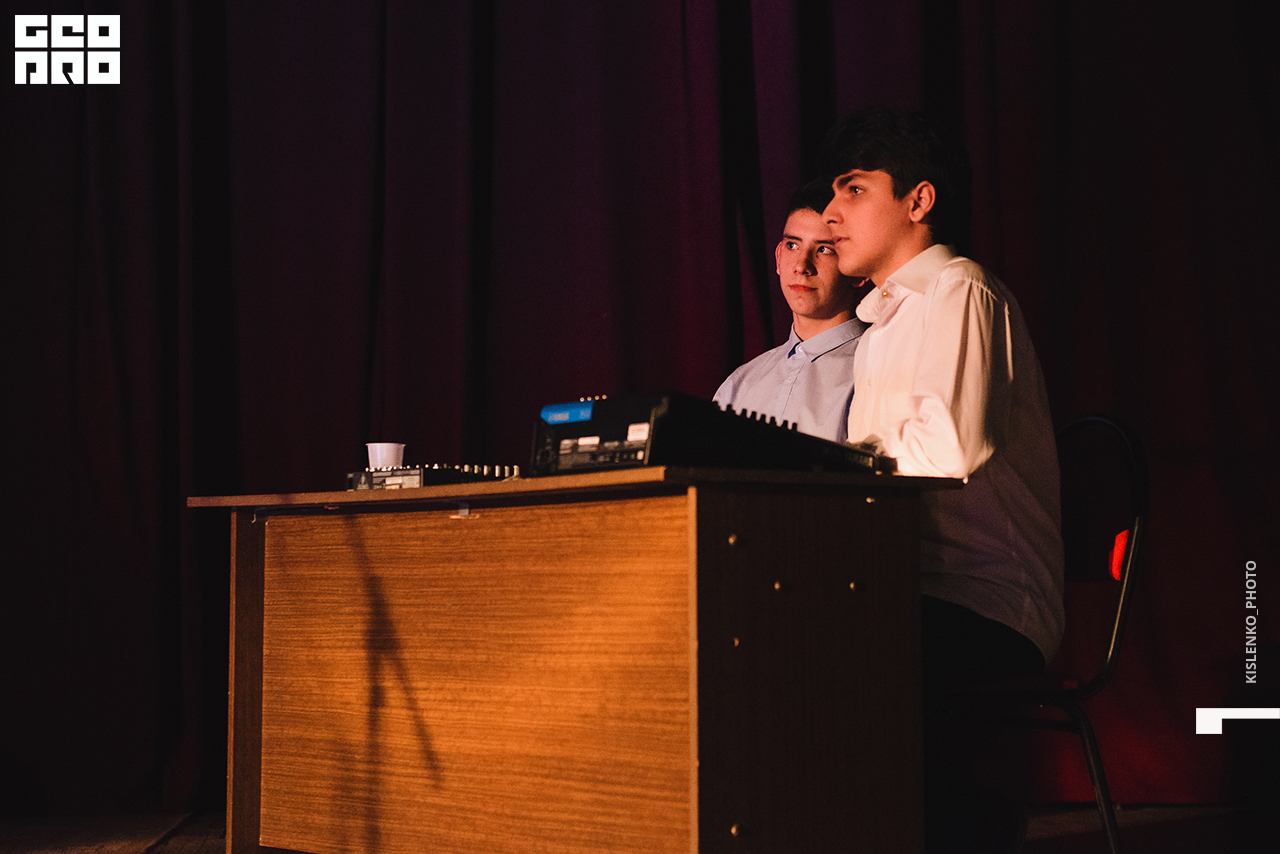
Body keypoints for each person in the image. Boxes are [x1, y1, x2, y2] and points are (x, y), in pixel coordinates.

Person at [819, 107, 1064, 851]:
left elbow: (947, 449)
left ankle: (960, 822)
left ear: (918, 200)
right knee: (781, 626)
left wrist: (833, 467)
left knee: (819, 646)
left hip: (990, 601)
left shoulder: (960, 290)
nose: (830, 215)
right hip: (913, 591)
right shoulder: (879, 331)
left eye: (853, 190)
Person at [713, 179, 868, 443]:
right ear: (778, 257)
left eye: (824, 249)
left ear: (857, 269)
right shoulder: (738, 386)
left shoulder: (875, 370)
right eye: (793, 245)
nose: (801, 265)